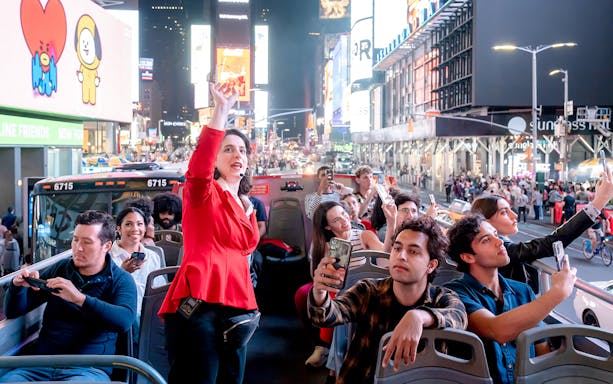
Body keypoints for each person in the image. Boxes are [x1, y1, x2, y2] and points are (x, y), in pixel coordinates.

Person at [159, 82, 260, 384]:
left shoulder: (246, 204)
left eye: (242, 150)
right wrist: (222, 110)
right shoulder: (203, 193)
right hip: (199, 305)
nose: (236, 154)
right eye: (227, 149)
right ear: (215, 159)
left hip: (238, 309)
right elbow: (199, 166)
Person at [308, 216, 467, 384]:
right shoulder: (368, 291)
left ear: (431, 265)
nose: (401, 256)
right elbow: (325, 316)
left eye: (413, 251)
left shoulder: (441, 298)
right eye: (397, 249)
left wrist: (420, 317)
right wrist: (319, 292)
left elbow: (459, 316)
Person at [0, 210, 137, 382]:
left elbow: (124, 320)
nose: (78, 248)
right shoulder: (60, 269)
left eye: (87, 242)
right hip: (40, 363)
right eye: (75, 239)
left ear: (106, 246)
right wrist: (17, 287)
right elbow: (14, 311)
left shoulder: (120, 280)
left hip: (88, 368)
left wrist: (80, 299)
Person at [445, 214, 576, 384]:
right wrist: (557, 292)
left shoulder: (523, 291)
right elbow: (497, 329)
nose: (499, 242)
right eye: (486, 240)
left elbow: (540, 348)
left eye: (495, 234)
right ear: (468, 257)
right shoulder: (455, 294)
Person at [470, 169, 613, 284]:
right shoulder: (501, 249)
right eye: (504, 213)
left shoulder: (501, 245)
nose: (514, 216)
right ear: (485, 221)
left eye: (511, 209)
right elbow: (552, 242)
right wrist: (598, 202)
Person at [109, 207, 165, 317]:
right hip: (119, 314)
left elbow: (159, 290)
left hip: (148, 315)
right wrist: (122, 272)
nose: (135, 229)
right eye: (128, 224)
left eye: (139, 224)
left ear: (145, 228)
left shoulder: (153, 257)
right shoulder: (107, 256)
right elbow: (101, 292)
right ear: (119, 229)